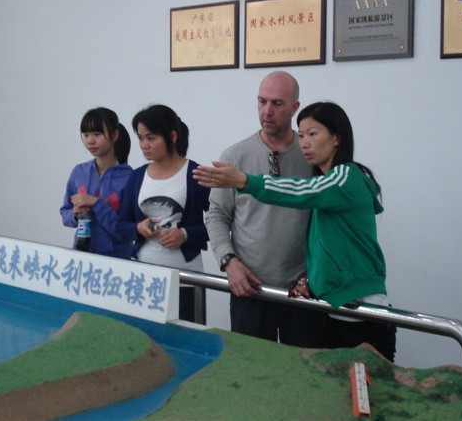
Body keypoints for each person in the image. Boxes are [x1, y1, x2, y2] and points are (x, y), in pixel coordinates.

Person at [194, 101, 397, 361]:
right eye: (301, 135)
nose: (305, 143)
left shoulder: (345, 177)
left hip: (362, 311)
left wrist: (245, 180)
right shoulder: (326, 180)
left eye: (313, 134)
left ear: (337, 138)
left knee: (365, 385)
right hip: (331, 308)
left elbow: (301, 191)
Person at [204, 71, 330, 348]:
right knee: (252, 367)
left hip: (304, 288)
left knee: (304, 368)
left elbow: (329, 217)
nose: (267, 111)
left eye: (277, 103)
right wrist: (228, 262)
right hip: (249, 287)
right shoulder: (235, 156)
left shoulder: (312, 156)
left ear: (295, 107)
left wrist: (315, 271)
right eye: (262, 102)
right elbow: (216, 215)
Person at [118, 104, 210, 323]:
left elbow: (221, 224)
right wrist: (137, 228)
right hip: (143, 276)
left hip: (185, 277)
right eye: (141, 138)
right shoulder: (137, 177)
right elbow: (121, 224)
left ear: (173, 136)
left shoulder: (196, 174)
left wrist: (185, 234)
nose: (144, 145)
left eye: (151, 138)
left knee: (187, 335)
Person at [60, 107, 133, 259]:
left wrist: (95, 204)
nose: (90, 140)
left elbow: (127, 230)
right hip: (81, 255)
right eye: (86, 135)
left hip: (118, 260)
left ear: (115, 135)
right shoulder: (79, 172)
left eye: (97, 134)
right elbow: (65, 213)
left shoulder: (130, 178)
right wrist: (74, 214)